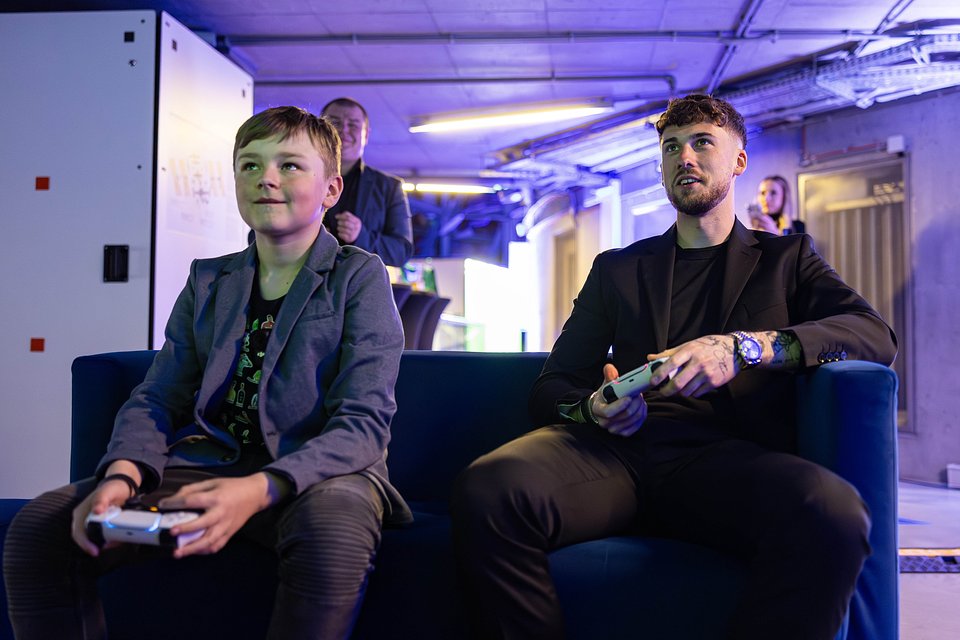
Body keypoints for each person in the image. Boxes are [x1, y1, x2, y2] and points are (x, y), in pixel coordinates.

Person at [451, 94, 897, 640]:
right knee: (489, 489)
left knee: (833, 513)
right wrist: (592, 408)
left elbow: (874, 334)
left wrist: (744, 349)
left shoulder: (787, 260)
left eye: (702, 142)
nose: (684, 156)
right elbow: (553, 385)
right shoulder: (618, 269)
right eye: (671, 147)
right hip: (615, 455)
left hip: (724, 462)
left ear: (738, 160)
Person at [3, 106, 411, 640]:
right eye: (249, 165)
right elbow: (158, 395)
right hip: (214, 461)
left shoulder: (359, 276)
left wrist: (258, 490)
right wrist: (122, 474)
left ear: (331, 190)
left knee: (330, 534)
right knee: (39, 530)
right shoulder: (209, 280)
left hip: (324, 474)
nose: (266, 178)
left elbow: (363, 422)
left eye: (289, 165)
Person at [320, 97, 414, 267]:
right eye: (335, 123)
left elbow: (401, 252)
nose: (343, 130)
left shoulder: (390, 187)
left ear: (366, 134)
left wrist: (361, 236)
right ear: (319, 131)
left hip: (360, 282)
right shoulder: (298, 177)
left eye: (353, 125)